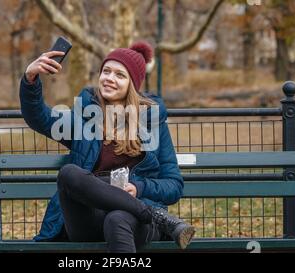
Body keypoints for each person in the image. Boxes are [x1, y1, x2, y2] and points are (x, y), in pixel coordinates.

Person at [20, 41, 195, 253]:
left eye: (120, 75)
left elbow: (173, 185)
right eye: (106, 71)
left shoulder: (153, 124)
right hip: (88, 219)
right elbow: (41, 118)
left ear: (133, 84)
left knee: (117, 218)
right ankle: (154, 215)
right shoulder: (85, 118)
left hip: (131, 222)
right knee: (69, 174)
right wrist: (30, 79)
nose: (109, 78)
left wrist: (139, 188)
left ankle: (146, 214)